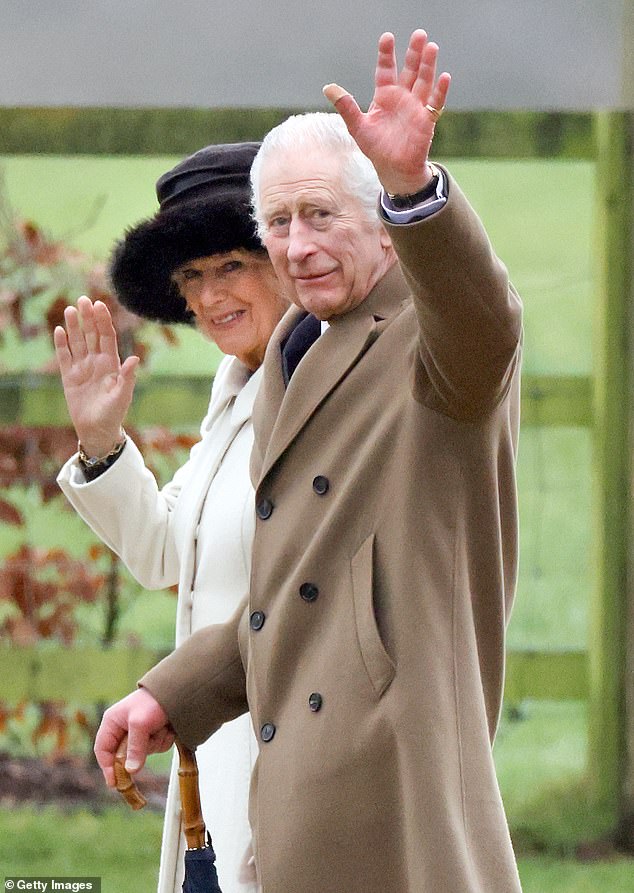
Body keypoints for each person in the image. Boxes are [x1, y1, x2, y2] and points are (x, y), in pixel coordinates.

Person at [93, 29, 523, 892]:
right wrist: (173, 693)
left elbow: (486, 322)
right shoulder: (294, 351)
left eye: (323, 214)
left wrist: (416, 189)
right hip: (298, 788)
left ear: (383, 227)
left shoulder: (433, 341)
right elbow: (296, 596)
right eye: (280, 223)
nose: (298, 244)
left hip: (397, 791)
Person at [54, 142, 288, 893]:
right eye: (191, 276)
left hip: (291, 764)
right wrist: (99, 440)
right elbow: (164, 554)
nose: (210, 294)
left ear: (282, 259)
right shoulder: (235, 390)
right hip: (210, 763)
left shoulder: (323, 388)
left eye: (230, 266)